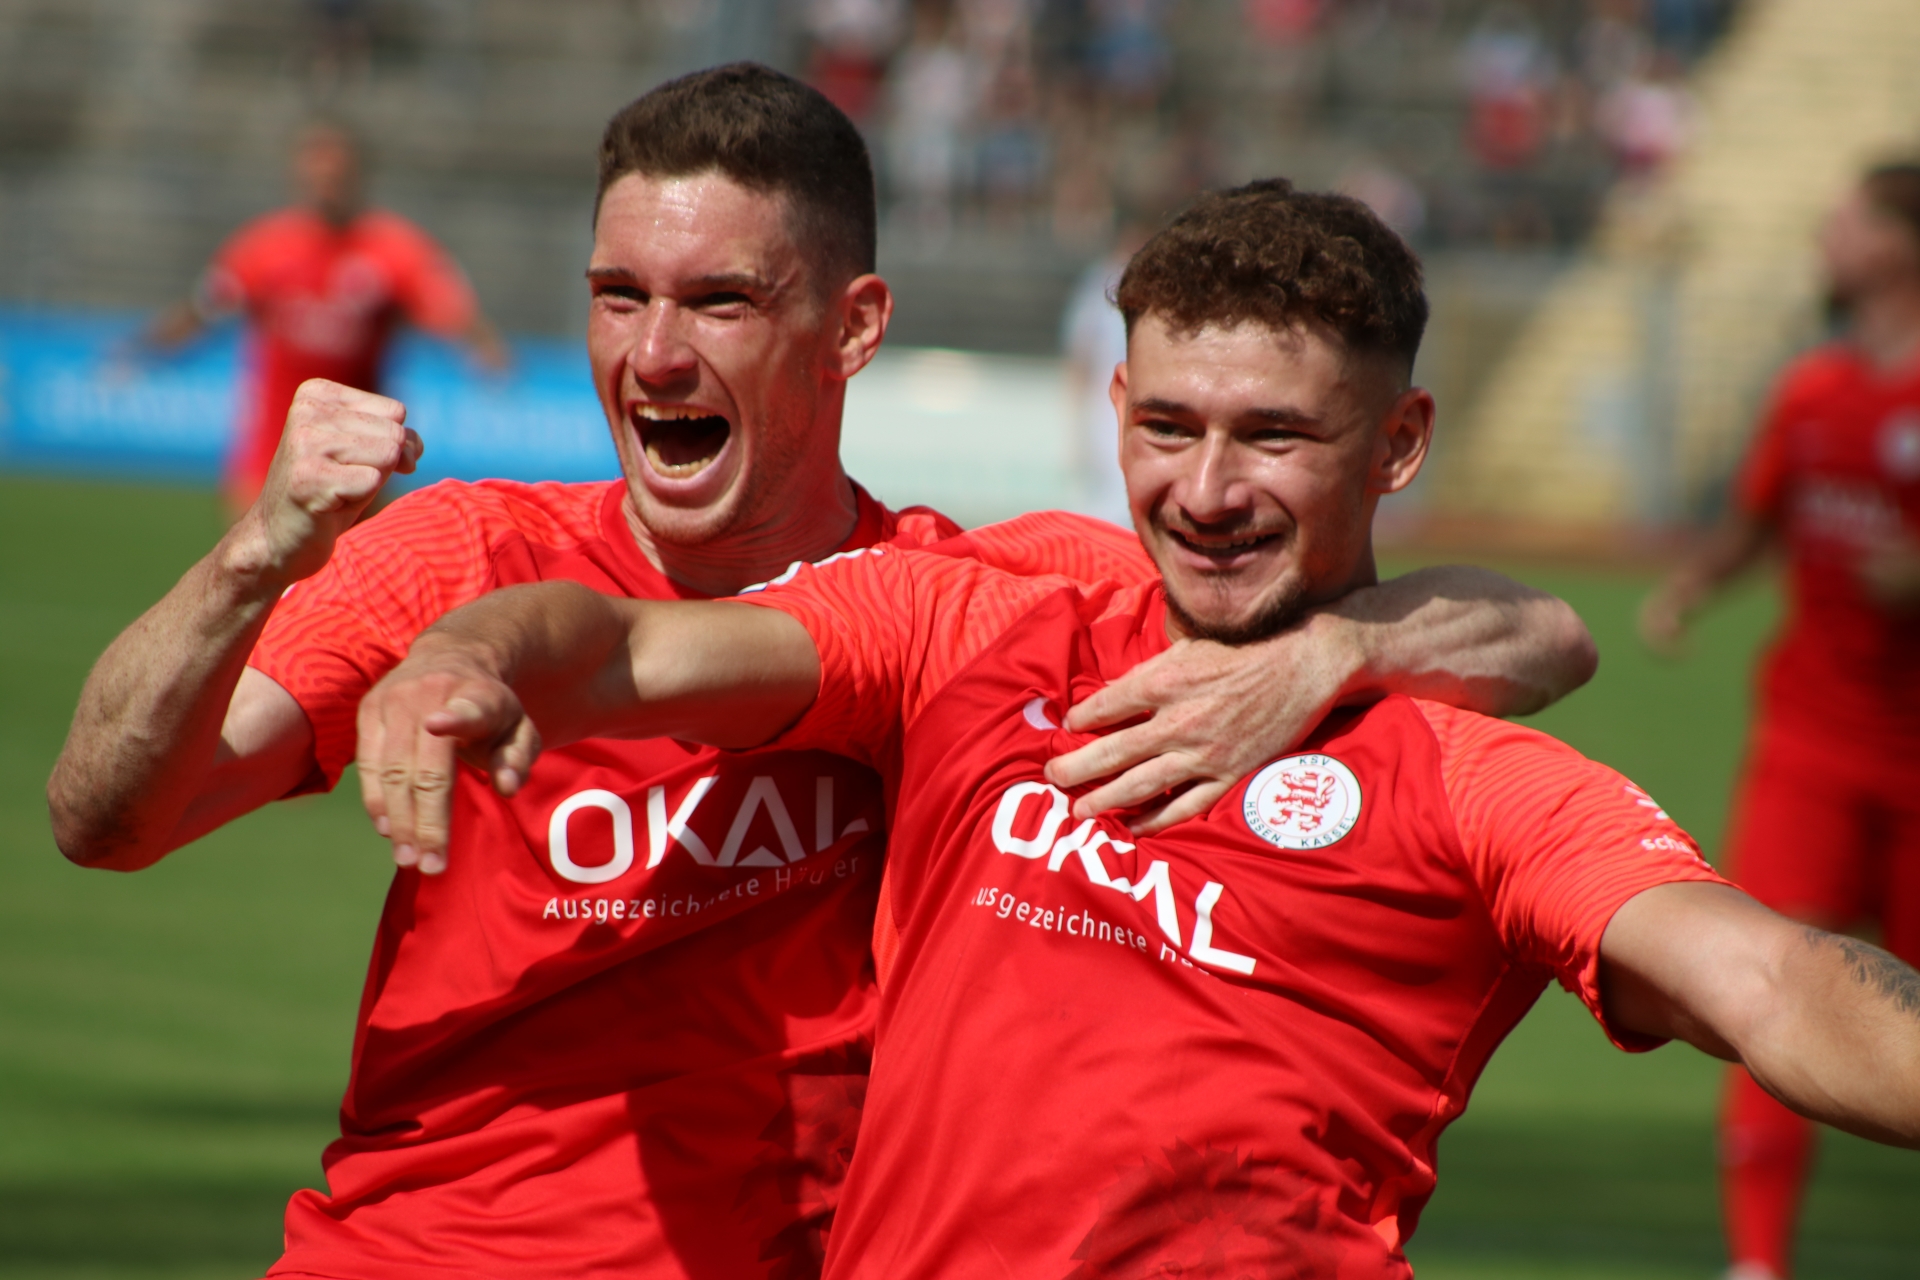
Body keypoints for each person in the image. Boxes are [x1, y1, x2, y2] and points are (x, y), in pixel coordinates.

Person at [50, 67, 1595, 1280]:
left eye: (719, 301)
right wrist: (256, 558)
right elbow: (107, 816)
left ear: (853, 329)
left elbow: (1542, 636)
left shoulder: (991, 602)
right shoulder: (461, 555)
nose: (655, 354)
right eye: (619, 295)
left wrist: (1336, 650)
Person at [360, 180, 1920, 1279]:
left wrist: (1333, 660)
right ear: (1115, 412)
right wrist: (470, 651)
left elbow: (1775, 982)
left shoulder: (1474, 777)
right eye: (1169, 427)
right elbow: (633, 643)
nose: (1208, 490)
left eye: (1275, 437)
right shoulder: (977, 629)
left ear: (1398, 445)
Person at [1640, 163, 1920, 1280]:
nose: (1828, 233)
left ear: (1901, 241)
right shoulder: (1810, 390)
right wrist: (1693, 584)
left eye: (1850, 218)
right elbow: (1760, 518)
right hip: (1812, 746)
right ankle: (1756, 1264)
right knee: (1776, 977)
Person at [141, 119, 509, 513]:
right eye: (316, 176)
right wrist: (143, 351)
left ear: (358, 176)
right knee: (255, 549)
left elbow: (452, 311)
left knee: (360, 553)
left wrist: (485, 352)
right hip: (272, 455)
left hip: (359, 455)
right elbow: (203, 308)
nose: (326, 186)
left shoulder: (393, 249)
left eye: (336, 176)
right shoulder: (265, 247)